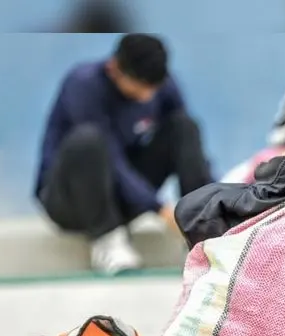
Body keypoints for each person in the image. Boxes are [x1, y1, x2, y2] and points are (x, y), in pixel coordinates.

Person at [35, 34, 213, 275]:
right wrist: (158, 207)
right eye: (140, 85)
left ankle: (202, 232)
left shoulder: (162, 85)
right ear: (115, 69)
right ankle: (107, 239)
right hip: (71, 199)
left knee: (184, 126)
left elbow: (190, 149)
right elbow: (111, 157)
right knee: (89, 140)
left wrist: (208, 198)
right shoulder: (84, 84)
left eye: (153, 88)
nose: (147, 96)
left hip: (121, 196)